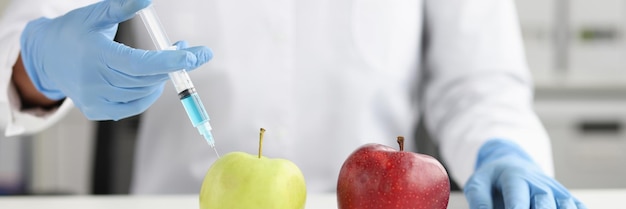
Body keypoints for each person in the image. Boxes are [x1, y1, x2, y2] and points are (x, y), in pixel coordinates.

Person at [0, 0, 586, 208]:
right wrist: (42, 63)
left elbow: (478, 82)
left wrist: (504, 149)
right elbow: (29, 37)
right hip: (182, 198)